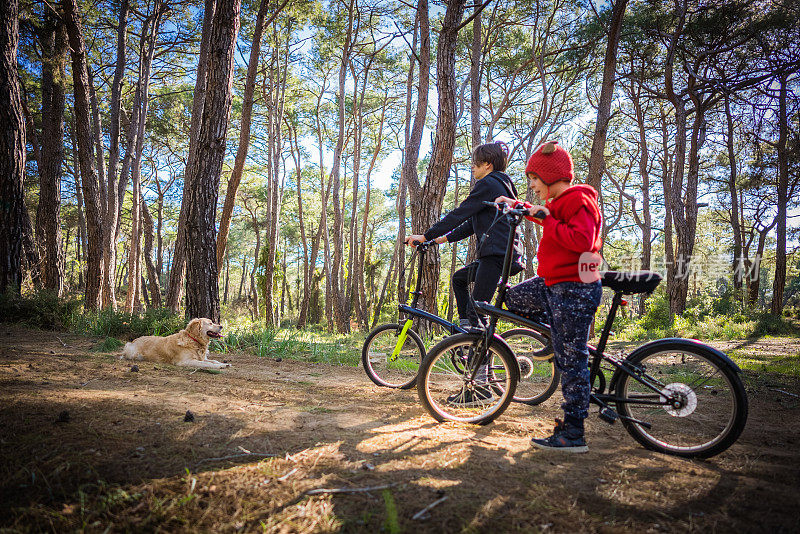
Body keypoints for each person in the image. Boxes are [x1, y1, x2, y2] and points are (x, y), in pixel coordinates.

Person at [495, 140, 602, 453]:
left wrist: (547, 219)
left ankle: (573, 433)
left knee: (572, 361)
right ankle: (555, 337)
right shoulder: (559, 203)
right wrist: (519, 207)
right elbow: (546, 216)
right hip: (554, 283)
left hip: (574, 287)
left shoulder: (578, 199)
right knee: (513, 299)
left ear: (553, 177)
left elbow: (583, 240)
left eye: (535, 180)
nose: (532, 186)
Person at [405, 141, 524, 330]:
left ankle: (479, 351)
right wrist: (437, 240)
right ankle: (466, 332)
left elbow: (459, 214)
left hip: (496, 256)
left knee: (477, 310)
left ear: (488, 164)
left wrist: (425, 236)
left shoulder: (489, 183)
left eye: (476, 163)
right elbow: (470, 224)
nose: (472, 167)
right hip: (505, 253)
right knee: (459, 279)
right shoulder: (502, 183)